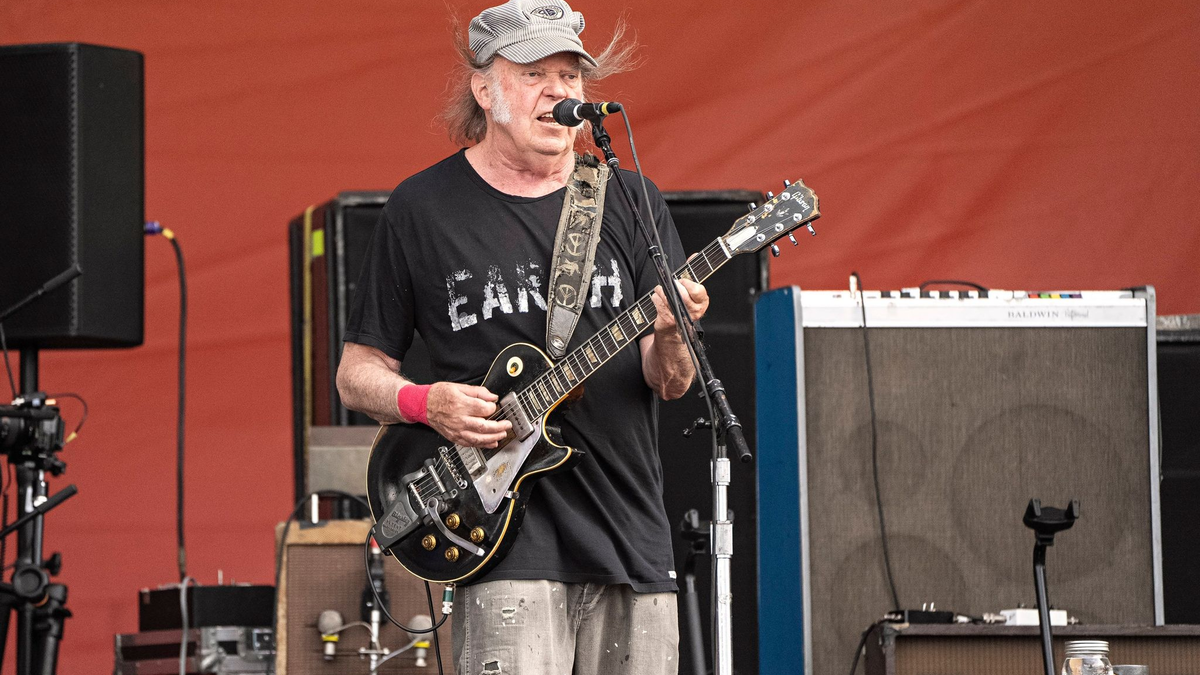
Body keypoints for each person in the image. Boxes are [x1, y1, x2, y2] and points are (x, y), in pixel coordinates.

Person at [336, 1, 708, 672]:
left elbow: (670, 379)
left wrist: (674, 333)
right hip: (505, 537)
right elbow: (357, 372)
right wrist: (429, 404)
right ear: (485, 89)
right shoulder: (422, 209)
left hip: (632, 537)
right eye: (535, 73)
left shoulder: (629, 200)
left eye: (570, 75)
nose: (560, 92)